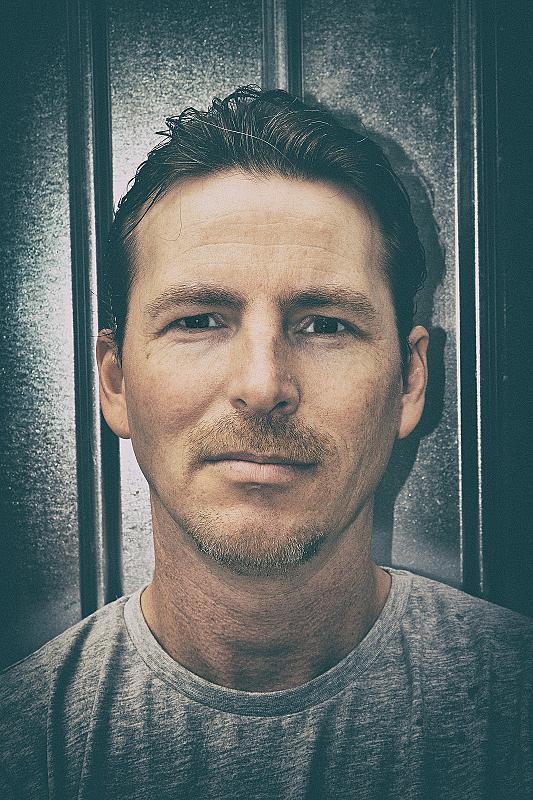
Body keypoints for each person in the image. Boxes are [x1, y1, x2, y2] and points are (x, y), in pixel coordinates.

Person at [0, 86, 531, 800]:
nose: (262, 385)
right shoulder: (23, 750)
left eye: (325, 324)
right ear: (116, 381)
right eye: (198, 320)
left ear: (409, 382)